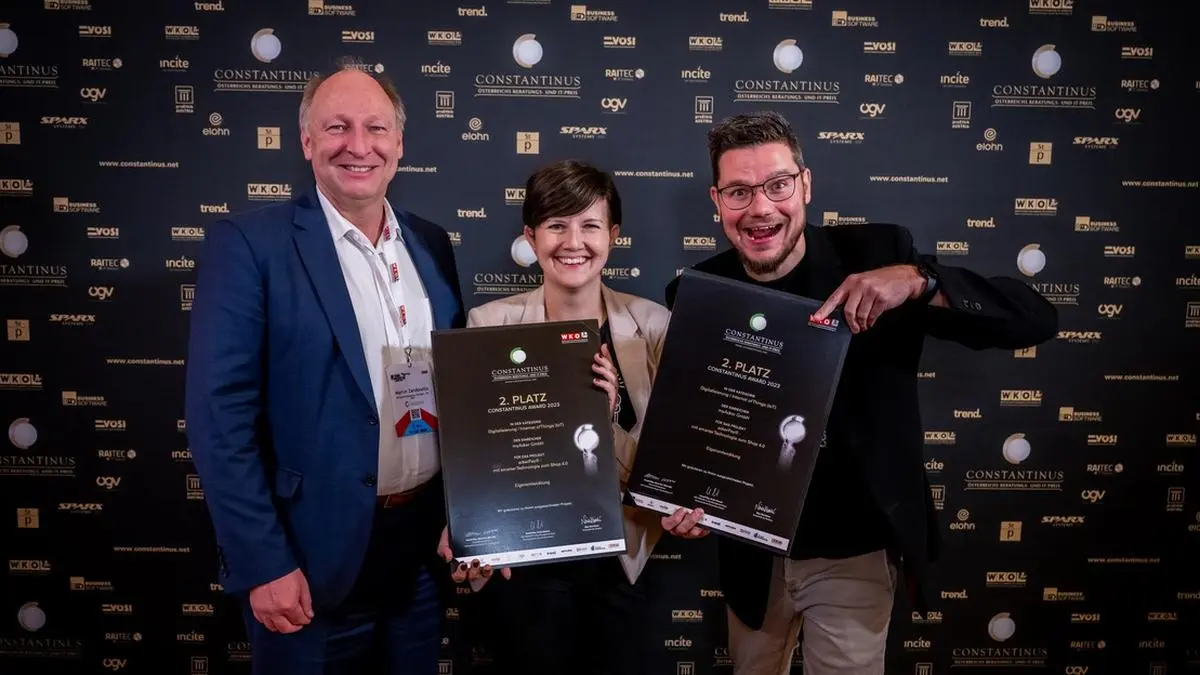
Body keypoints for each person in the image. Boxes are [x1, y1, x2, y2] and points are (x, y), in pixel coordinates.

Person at [663, 111, 1058, 674]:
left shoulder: (880, 255)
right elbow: (702, 426)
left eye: (778, 185)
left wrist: (923, 283)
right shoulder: (696, 292)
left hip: (853, 550)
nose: (760, 208)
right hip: (750, 556)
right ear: (717, 200)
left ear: (805, 185)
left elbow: (1035, 320)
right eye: (739, 191)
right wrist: (686, 499)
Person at [184, 60, 465, 675]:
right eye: (337, 127)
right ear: (307, 141)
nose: (358, 146)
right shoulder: (250, 244)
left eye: (376, 128)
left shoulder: (432, 243)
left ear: (399, 143)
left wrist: (469, 518)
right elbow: (218, 417)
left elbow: (458, 389)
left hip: (419, 556)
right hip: (308, 563)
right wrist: (262, 563)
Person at [435, 159, 706, 675]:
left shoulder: (653, 327)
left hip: (622, 563)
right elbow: (478, 454)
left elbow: (664, 469)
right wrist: (470, 530)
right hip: (527, 564)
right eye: (557, 225)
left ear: (614, 235)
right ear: (531, 237)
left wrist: (604, 424)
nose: (572, 241)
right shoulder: (488, 324)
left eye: (590, 225)